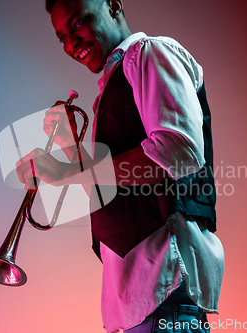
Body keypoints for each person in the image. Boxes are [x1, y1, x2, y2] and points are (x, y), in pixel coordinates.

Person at [15, 0, 224, 332]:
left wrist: (66, 171)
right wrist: (70, 146)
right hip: (134, 303)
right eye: (61, 37)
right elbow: (104, 187)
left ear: (112, 5)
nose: (71, 43)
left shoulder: (149, 52)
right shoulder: (112, 84)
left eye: (78, 23)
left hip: (162, 290)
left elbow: (179, 151)